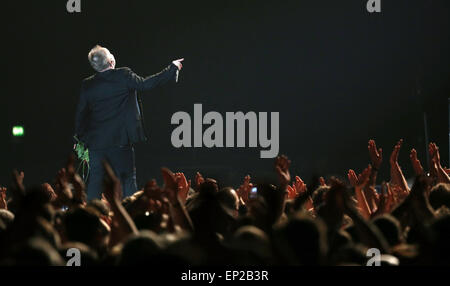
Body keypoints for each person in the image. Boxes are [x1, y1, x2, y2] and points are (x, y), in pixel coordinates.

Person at [74, 45, 184, 199]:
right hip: (120, 141)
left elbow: (81, 114)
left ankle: (92, 217)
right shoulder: (123, 75)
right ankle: (131, 216)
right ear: (111, 61)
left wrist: (81, 138)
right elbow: (146, 84)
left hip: (96, 143)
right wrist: (171, 68)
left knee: (95, 183)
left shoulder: (88, 84)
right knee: (127, 181)